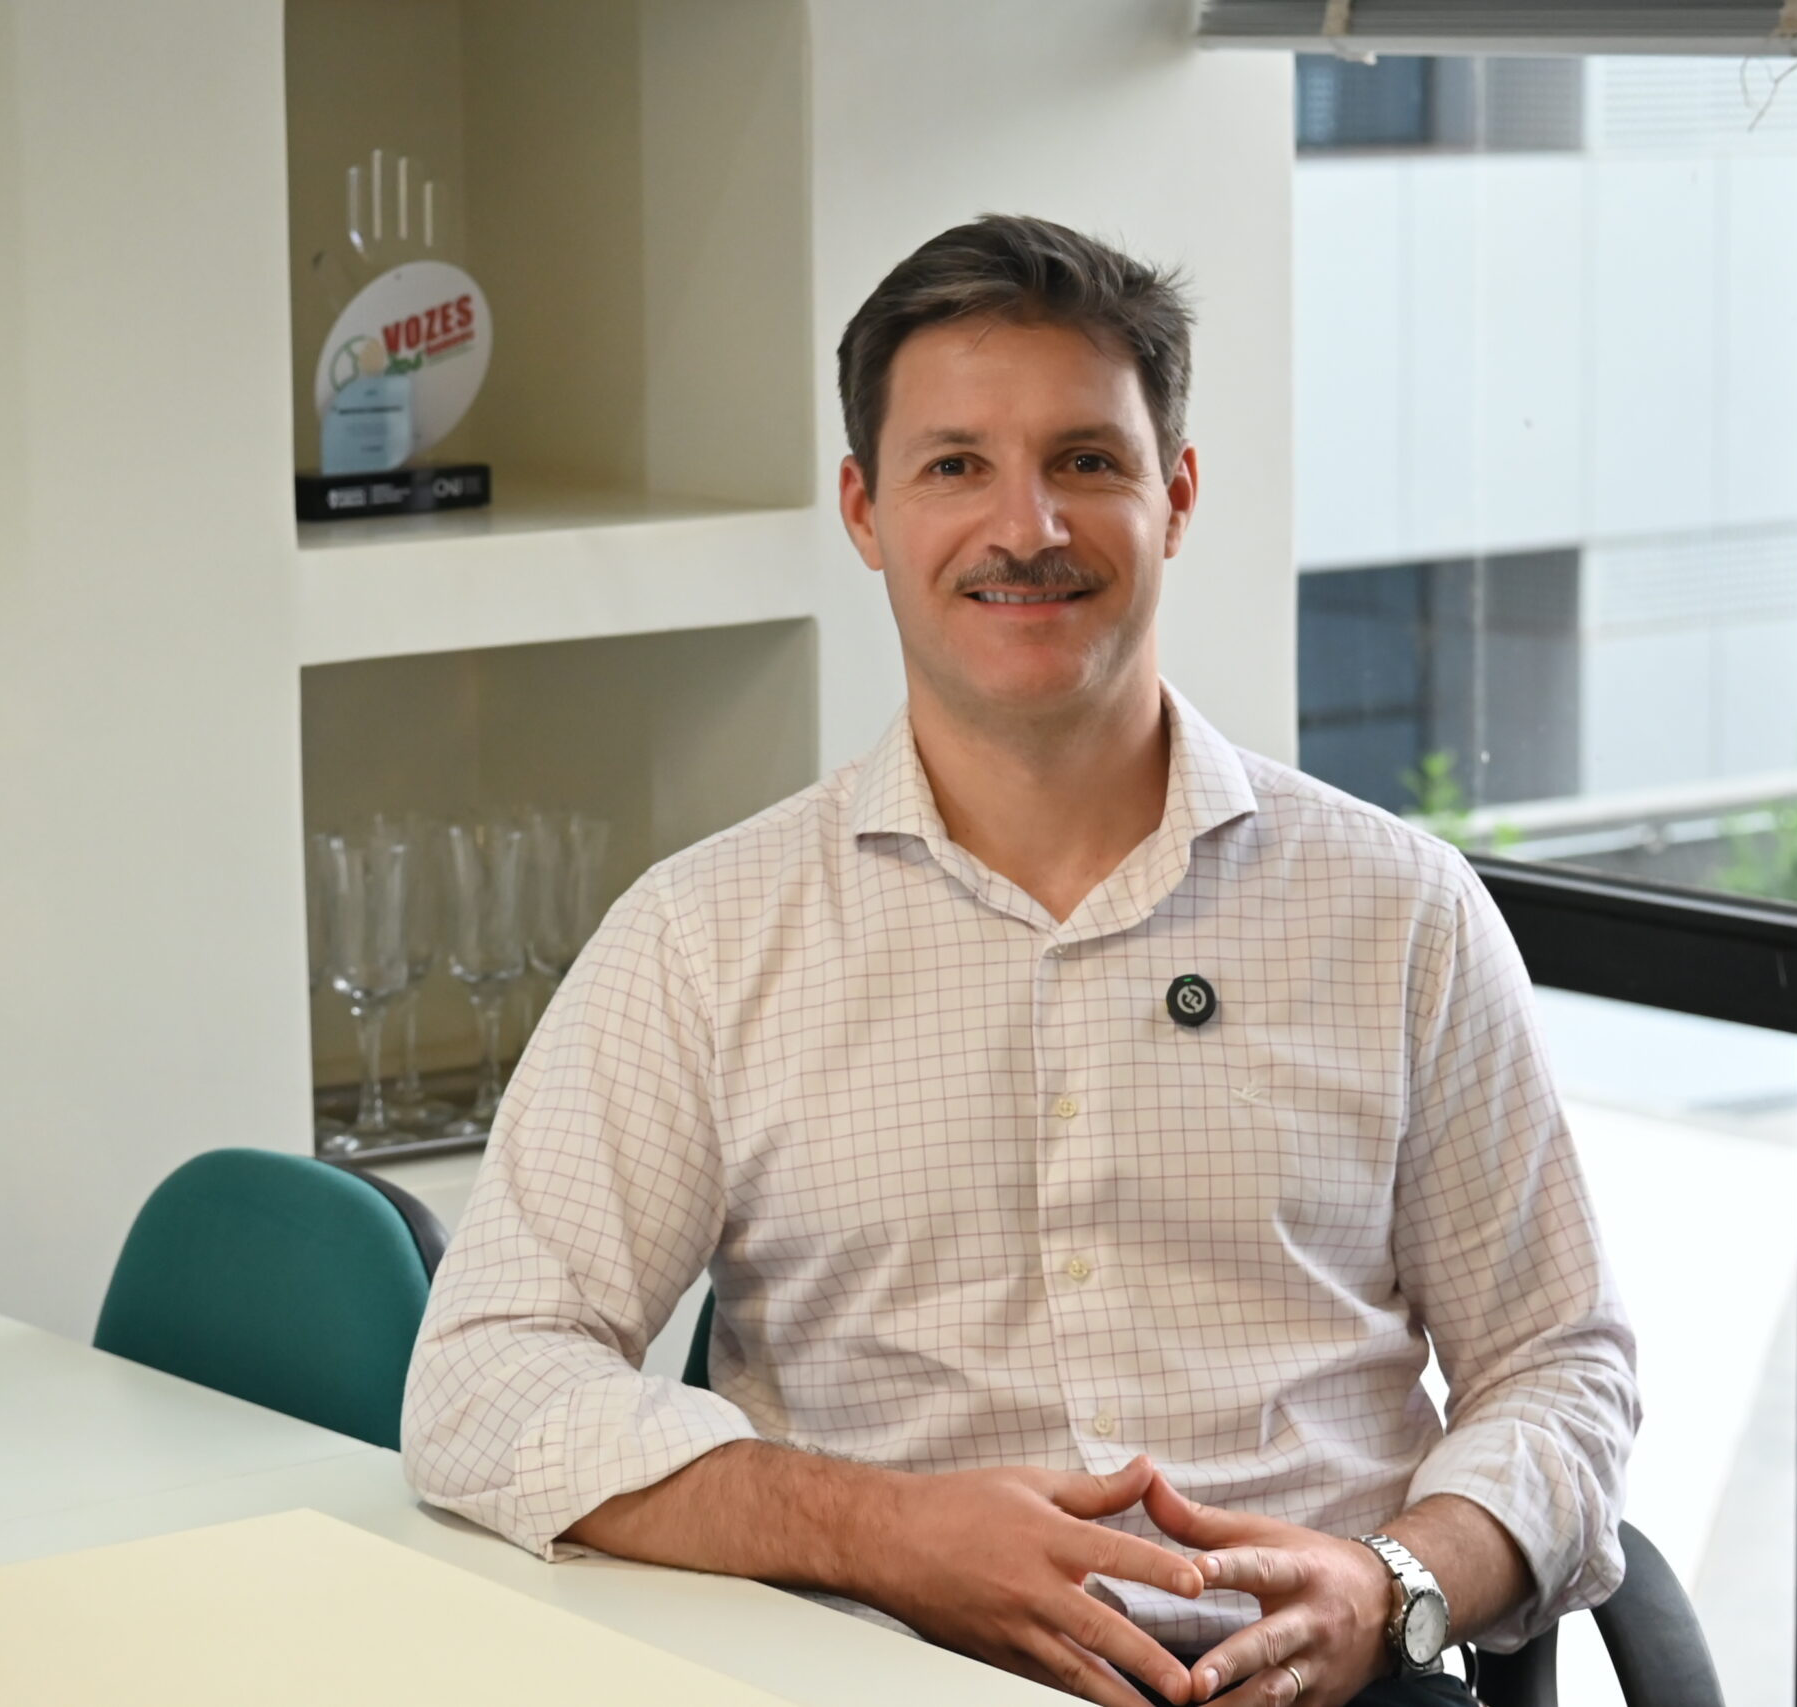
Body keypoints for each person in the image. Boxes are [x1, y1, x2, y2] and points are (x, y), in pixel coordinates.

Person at [402, 214, 1638, 1707]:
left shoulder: (1400, 911)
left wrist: (1395, 1584)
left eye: (1087, 460)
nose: (1028, 527)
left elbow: (1562, 1367)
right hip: (870, 1678)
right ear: (865, 511)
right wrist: (877, 1534)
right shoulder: (703, 938)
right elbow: (484, 1381)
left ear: (1176, 496)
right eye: (954, 467)